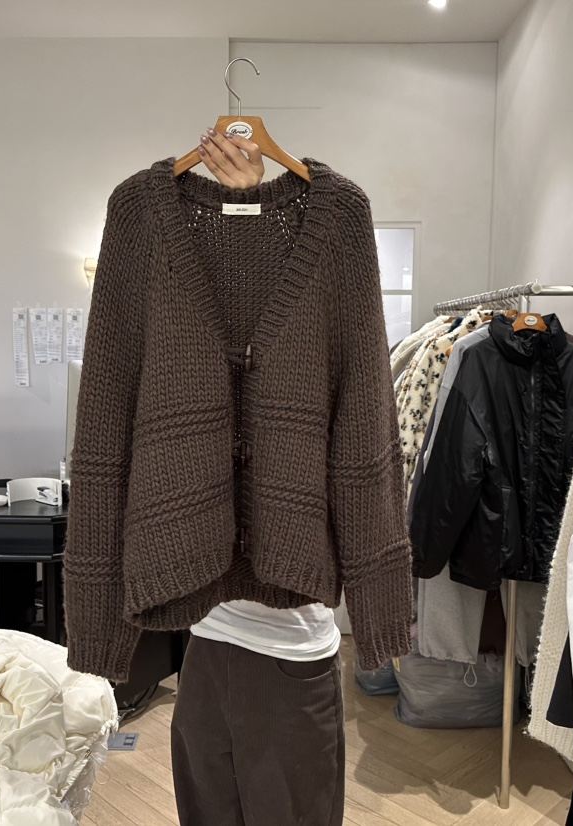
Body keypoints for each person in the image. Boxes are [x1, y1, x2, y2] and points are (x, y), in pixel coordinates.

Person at [169, 126, 345, 826]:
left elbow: (361, 436)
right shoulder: (154, 232)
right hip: (204, 642)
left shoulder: (335, 232)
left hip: (289, 649)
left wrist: (384, 610)